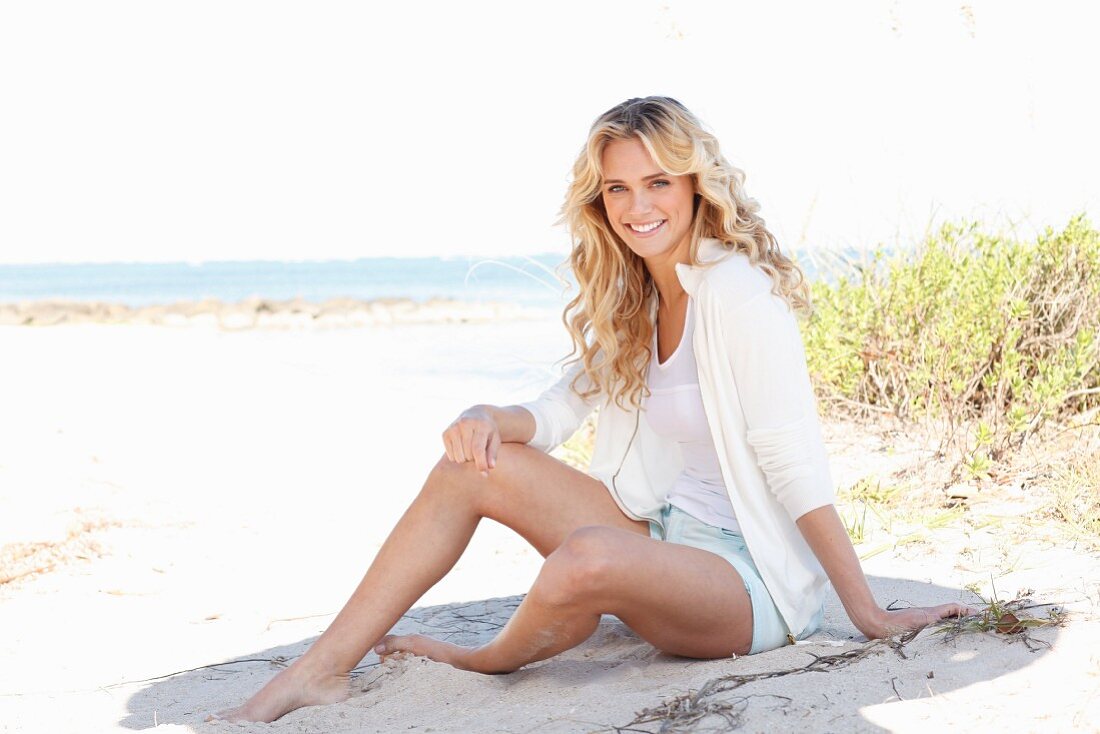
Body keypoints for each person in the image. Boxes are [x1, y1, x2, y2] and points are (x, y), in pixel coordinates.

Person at [215, 96, 973, 723]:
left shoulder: (738, 294)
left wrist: (866, 611)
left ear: (695, 186)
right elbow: (551, 414)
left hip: (748, 586)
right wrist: (483, 413)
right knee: (468, 469)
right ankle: (322, 668)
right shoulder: (637, 298)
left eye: (658, 184)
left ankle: (483, 657)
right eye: (617, 189)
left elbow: (791, 460)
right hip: (661, 532)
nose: (637, 207)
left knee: (585, 560)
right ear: (599, 199)